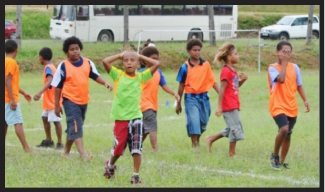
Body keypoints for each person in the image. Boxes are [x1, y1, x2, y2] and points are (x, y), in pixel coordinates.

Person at [102, 50, 159, 185]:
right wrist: (119, 54)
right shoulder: (118, 75)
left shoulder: (141, 77)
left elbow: (156, 63)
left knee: (136, 147)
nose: (129, 62)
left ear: (138, 64)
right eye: (126, 60)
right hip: (121, 118)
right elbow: (105, 62)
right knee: (119, 148)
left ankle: (136, 176)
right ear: (122, 64)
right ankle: (110, 165)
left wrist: (139, 55)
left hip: (136, 117)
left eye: (132, 60)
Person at [51, 36, 113, 160]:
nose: (75, 51)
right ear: (66, 52)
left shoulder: (87, 62)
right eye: (72, 49)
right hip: (69, 100)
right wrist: (57, 105)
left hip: (83, 100)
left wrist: (105, 83)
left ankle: (66, 151)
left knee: (74, 127)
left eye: (77, 48)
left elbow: (95, 75)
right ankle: (83, 155)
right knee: (76, 126)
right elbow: (57, 87)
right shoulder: (63, 66)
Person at [268, 41, 310, 170]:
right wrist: (284, 63)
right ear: (277, 52)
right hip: (277, 105)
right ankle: (274, 155)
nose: (286, 54)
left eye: (288, 52)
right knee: (284, 129)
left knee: (288, 134)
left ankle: (281, 161)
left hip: (291, 105)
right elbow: (281, 79)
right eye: (283, 51)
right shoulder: (272, 68)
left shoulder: (295, 67)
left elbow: (299, 85)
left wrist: (305, 100)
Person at [205, 42, 248, 157]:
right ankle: (232, 153)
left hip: (234, 103)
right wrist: (219, 106)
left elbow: (234, 86)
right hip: (228, 105)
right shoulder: (226, 71)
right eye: (236, 54)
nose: (238, 56)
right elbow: (222, 89)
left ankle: (211, 139)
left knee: (232, 127)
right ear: (229, 57)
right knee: (235, 128)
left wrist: (243, 80)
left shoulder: (233, 70)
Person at [175, 39, 219, 148]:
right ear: (189, 51)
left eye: (199, 50)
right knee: (194, 121)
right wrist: (178, 102)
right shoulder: (185, 67)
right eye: (194, 50)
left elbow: (212, 81)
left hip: (204, 98)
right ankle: (195, 145)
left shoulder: (206, 65)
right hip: (190, 98)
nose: (197, 52)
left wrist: (221, 94)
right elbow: (181, 86)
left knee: (203, 122)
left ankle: (197, 140)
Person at [139, 46, 180, 152]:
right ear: (146, 60)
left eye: (157, 58)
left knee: (144, 129)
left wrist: (174, 93)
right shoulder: (141, 73)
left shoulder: (159, 73)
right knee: (152, 126)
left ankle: (136, 146)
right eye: (153, 58)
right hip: (144, 104)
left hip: (153, 105)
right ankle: (156, 149)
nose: (156, 61)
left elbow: (164, 85)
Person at [5, 39, 33, 153]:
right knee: (18, 122)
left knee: (4, 123)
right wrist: (12, 100)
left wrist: (23, 92)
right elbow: (7, 80)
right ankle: (27, 148)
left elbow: (10, 82)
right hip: (8, 99)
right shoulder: (11, 62)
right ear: (16, 50)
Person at [33, 47, 64, 149]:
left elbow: (50, 80)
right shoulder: (51, 66)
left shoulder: (48, 68)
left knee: (56, 121)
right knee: (45, 118)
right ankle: (48, 140)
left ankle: (59, 143)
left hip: (52, 100)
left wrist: (39, 92)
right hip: (49, 100)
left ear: (41, 57)